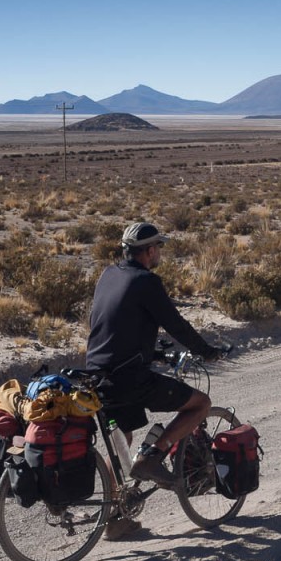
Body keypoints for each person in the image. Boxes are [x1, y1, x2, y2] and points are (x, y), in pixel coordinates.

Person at [85, 221, 231, 538]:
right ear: (149, 251)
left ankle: (115, 520)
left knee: (121, 443)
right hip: (129, 378)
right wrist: (206, 351)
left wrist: (148, 352)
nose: (160, 252)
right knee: (200, 404)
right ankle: (154, 457)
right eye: (159, 248)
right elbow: (176, 325)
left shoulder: (107, 275)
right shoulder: (147, 282)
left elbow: (109, 323)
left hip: (97, 375)